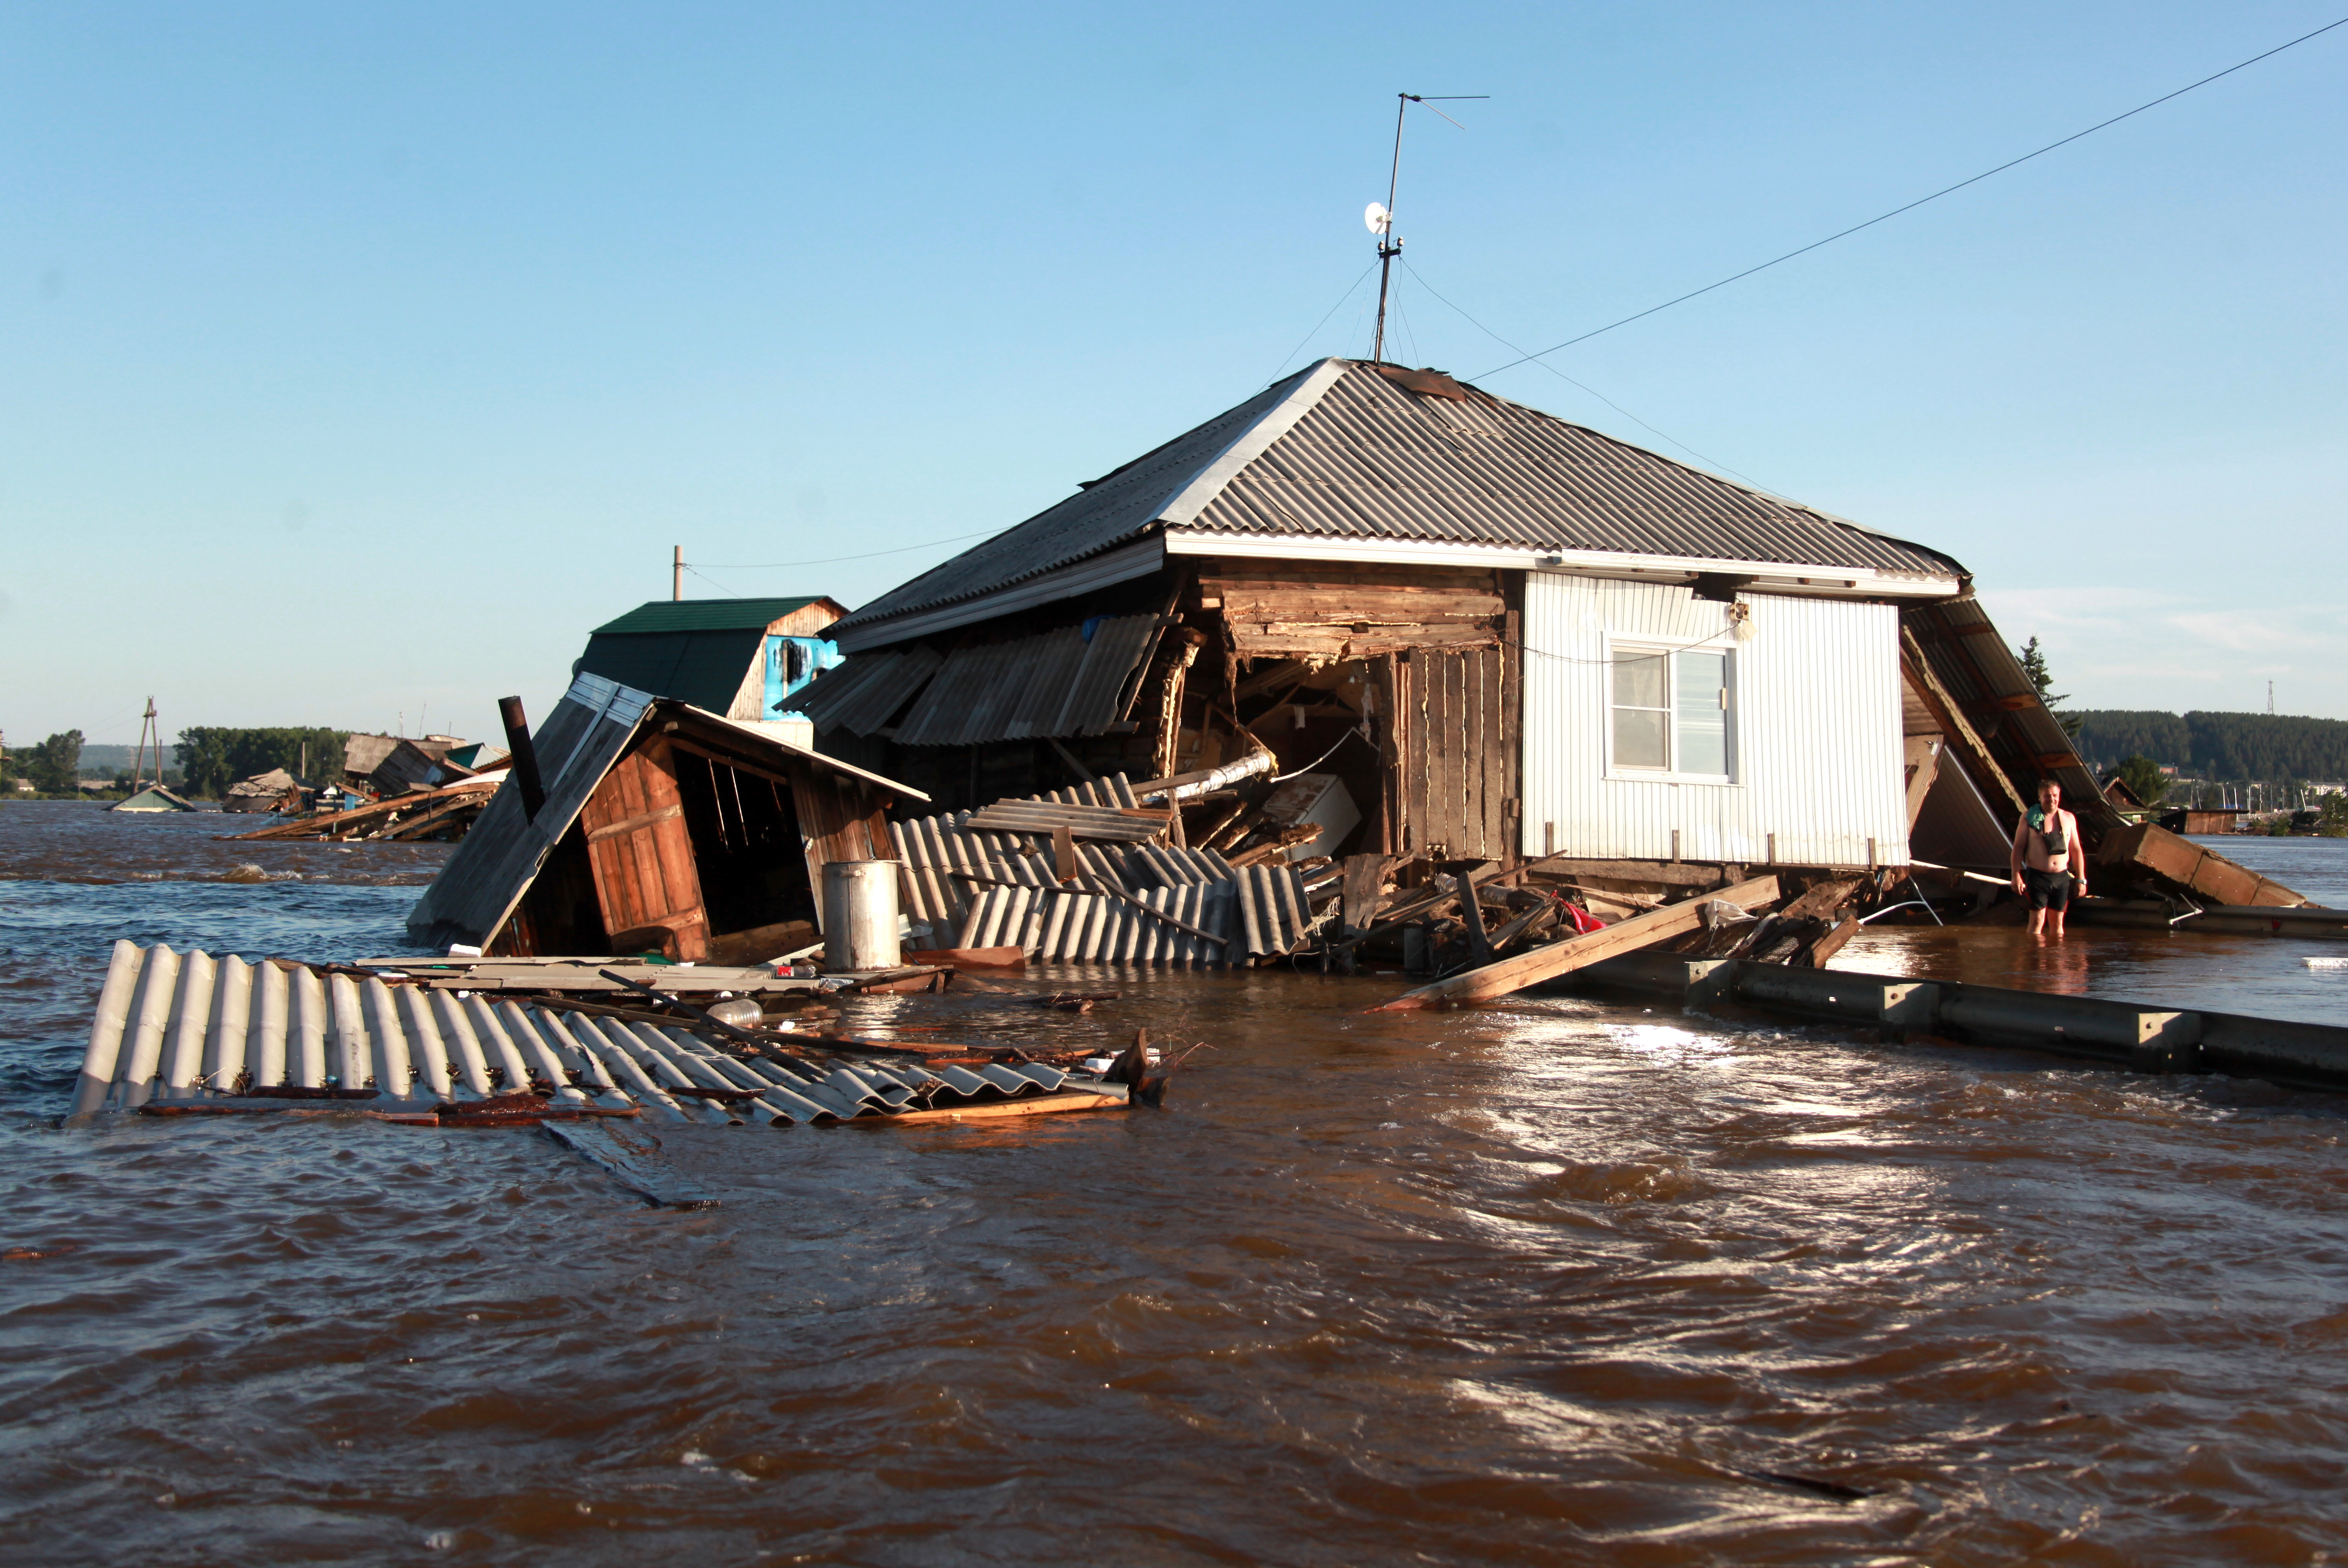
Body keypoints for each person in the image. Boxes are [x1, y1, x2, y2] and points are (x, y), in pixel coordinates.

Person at [2010, 777, 2086, 938]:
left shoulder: (2069, 818)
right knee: (2037, 922)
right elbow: (2018, 847)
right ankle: (2035, 960)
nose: (2052, 799)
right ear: (2040, 797)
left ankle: (2056, 961)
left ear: (2059, 796)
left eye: (2055, 795)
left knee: (2058, 924)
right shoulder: (2028, 817)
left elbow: (2077, 849)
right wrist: (2015, 875)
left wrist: (2081, 879)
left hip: (2061, 877)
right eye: (2047, 796)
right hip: (2037, 876)